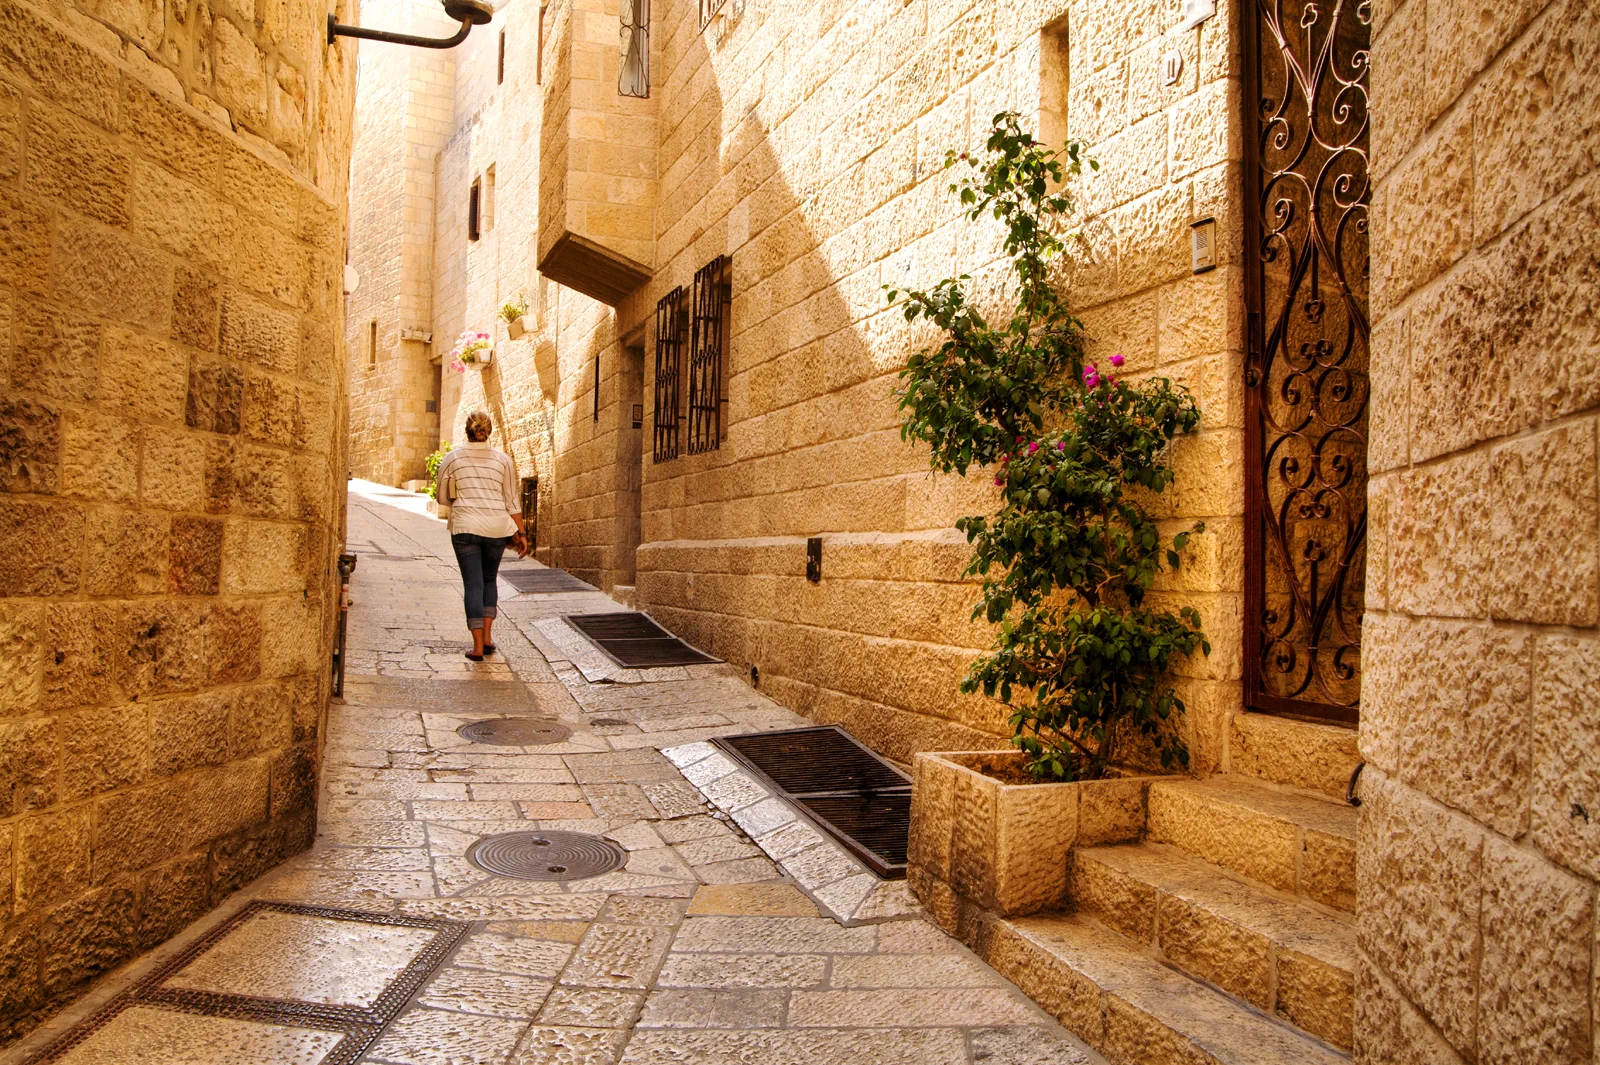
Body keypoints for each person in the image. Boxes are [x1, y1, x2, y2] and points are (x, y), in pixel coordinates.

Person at [434, 412, 528, 661]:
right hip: (497, 529)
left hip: (465, 528)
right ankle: (487, 638)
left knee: (473, 584)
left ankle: (476, 647)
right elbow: (511, 500)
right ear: (489, 431)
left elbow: (442, 498)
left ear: (467, 431)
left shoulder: (452, 458)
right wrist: (522, 533)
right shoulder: (503, 460)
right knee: (489, 580)